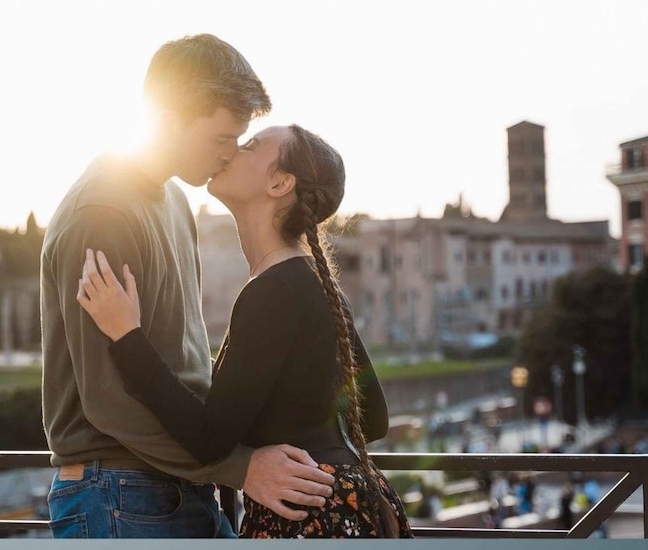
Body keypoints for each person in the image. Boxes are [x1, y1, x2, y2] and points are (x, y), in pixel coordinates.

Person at [41, 34, 335, 539]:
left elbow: (185, 362)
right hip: (118, 490)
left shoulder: (175, 201)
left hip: (180, 483)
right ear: (169, 116)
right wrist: (242, 469)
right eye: (222, 139)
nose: (228, 156)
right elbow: (108, 401)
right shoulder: (103, 214)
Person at [76, 123, 413, 538]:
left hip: (306, 515)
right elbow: (373, 417)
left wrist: (126, 334)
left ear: (279, 182)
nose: (232, 149)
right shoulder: (314, 283)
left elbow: (207, 438)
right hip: (352, 504)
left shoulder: (273, 291)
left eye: (251, 145)